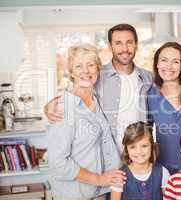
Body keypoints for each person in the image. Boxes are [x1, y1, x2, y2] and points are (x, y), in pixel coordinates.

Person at [45, 24, 152, 151]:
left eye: (129, 42)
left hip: (138, 156)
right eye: (118, 43)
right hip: (107, 158)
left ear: (136, 45)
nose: (125, 48)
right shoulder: (96, 74)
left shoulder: (148, 78)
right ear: (110, 46)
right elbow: (75, 93)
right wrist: (50, 105)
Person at [47, 44, 125, 200]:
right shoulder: (64, 108)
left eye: (91, 65)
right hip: (75, 194)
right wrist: (99, 179)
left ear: (98, 69)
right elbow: (58, 163)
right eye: (78, 66)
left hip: (100, 192)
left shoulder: (96, 100)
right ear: (71, 72)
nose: (86, 71)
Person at [147, 42, 181, 174]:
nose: (169, 66)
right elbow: (146, 132)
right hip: (165, 171)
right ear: (157, 64)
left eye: (175, 62)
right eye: (164, 60)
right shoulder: (150, 94)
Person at [110, 121, 170, 200]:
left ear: (152, 146)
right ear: (126, 149)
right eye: (133, 147)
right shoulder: (120, 175)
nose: (139, 151)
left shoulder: (162, 172)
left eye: (144, 146)